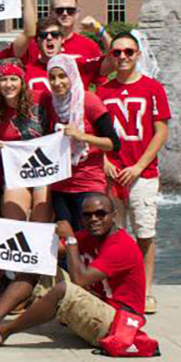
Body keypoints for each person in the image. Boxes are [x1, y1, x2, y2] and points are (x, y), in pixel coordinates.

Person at [0, 194, 145, 349]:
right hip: (100, 308)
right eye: (88, 215)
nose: (94, 219)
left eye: (100, 214)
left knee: (63, 289)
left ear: (114, 216)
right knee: (39, 263)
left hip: (120, 323)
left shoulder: (121, 245)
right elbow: (41, 251)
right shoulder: (88, 237)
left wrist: (71, 240)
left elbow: (80, 281)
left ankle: (0, 333)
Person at [96, 33, 169, 314]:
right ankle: (119, 289)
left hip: (143, 173)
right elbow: (94, 132)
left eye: (128, 52)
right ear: (110, 56)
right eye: (117, 53)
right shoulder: (102, 91)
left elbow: (161, 130)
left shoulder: (152, 88)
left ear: (138, 54)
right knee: (114, 234)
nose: (123, 57)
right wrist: (103, 160)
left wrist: (139, 165)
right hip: (113, 174)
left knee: (144, 234)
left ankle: (145, 291)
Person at [0, 58, 52, 297]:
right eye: (3, 79)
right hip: (15, 174)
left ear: (22, 81)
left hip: (44, 172)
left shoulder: (42, 100)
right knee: (14, 224)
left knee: (41, 224)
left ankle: (43, 280)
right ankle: (20, 280)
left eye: (13, 78)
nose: (8, 84)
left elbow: (58, 129)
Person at [41, 54, 120, 232]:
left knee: (90, 238)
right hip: (60, 184)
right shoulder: (51, 103)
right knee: (68, 239)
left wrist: (83, 136)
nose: (57, 82)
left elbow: (113, 144)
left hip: (88, 183)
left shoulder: (90, 101)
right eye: (52, 77)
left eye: (62, 76)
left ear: (72, 75)